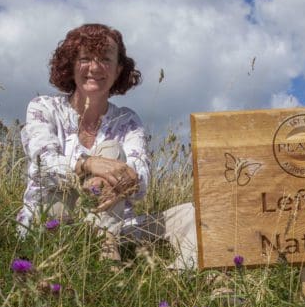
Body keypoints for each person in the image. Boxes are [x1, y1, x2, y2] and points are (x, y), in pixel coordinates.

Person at [18, 23, 197, 268]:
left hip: (118, 230)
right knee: (111, 151)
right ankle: (106, 264)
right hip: (54, 224)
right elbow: (43, 165)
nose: (94, 67)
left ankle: (177, 279)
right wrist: (89, 164)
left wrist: (119, 182)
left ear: (118, 70)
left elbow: (141, 181)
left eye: (105, 59)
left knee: (192, 215)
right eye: (85, 58)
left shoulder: (128, 120)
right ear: (71, 65)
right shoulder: (43, 108)